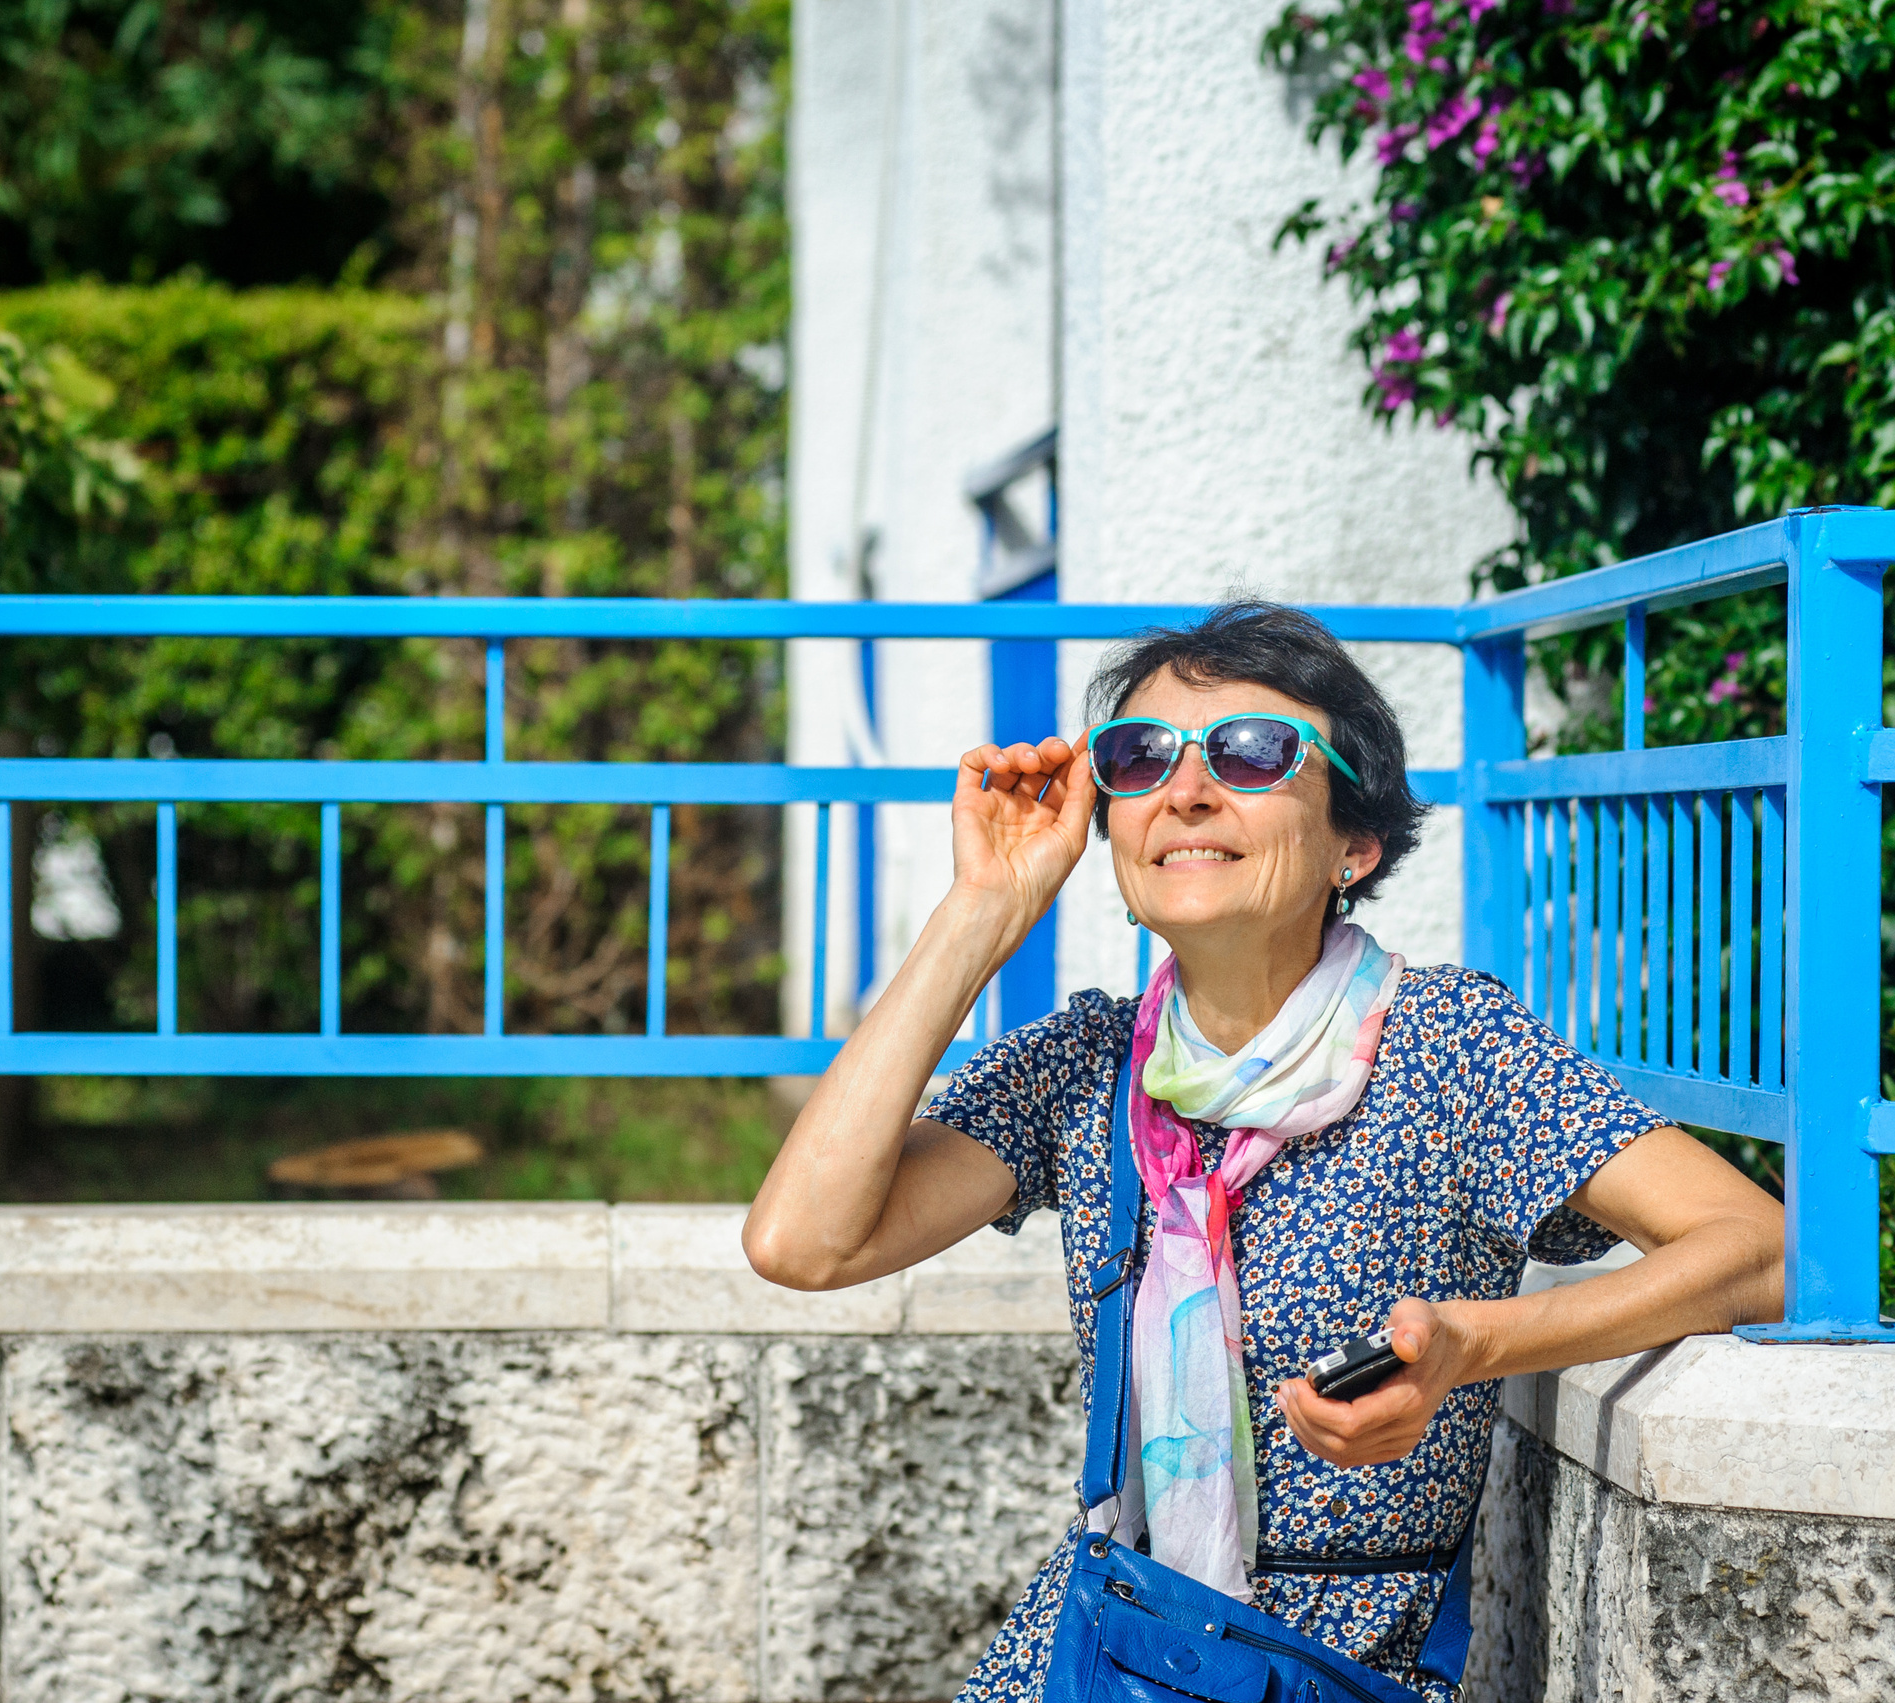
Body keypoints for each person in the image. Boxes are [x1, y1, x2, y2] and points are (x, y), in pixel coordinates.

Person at [743, 600, 1786, 1702]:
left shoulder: (1446, 1046)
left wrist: (1473, 1345)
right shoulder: (1087, 1063)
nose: (1186, 789)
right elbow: (804, 1240)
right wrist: (984, 908)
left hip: (1319, 1672)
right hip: (1096, 1653)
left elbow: (1757, 1246)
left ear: (1355, 841)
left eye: (1251, 752)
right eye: (1139, 758)